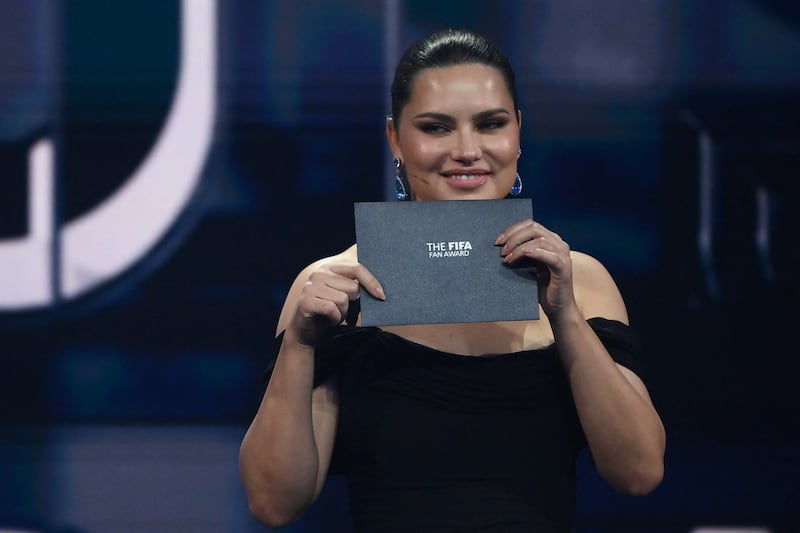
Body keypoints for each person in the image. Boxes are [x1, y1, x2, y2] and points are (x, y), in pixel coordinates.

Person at [239, 28, 665, 532]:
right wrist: (301, 348)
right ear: (396, 138)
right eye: (436, 128)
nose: (467, 150)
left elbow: (638, 472)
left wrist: (566, 314)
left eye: (490, 124)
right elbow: (273, 501)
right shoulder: (333, 288)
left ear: (518, 133)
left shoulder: (583, 281)